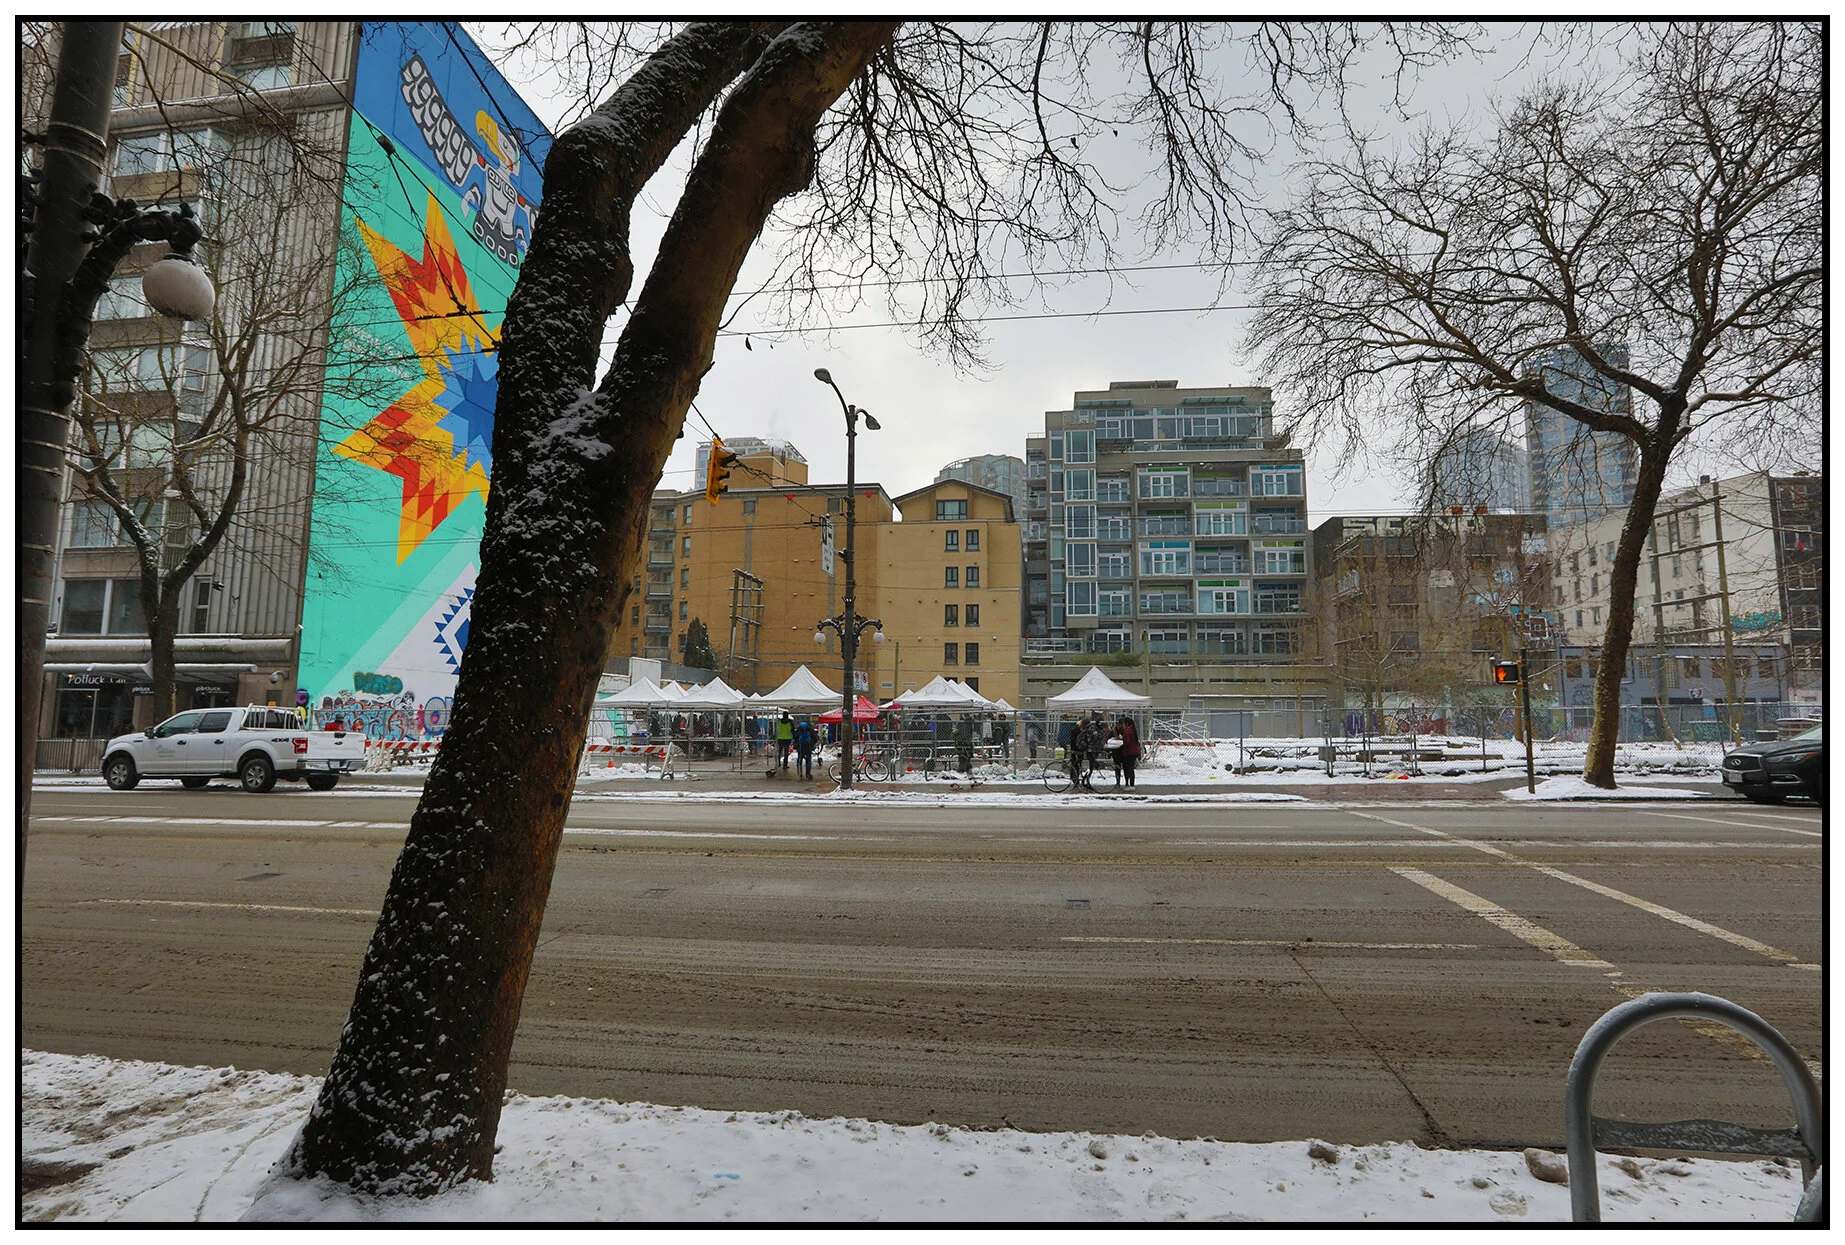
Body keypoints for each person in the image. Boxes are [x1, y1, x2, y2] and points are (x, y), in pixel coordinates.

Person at [1114, 714, 1141, 790]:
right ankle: (1131, 784)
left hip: (1129, 752)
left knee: (1129, 769)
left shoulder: (1127, 731)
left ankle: (1131, 786)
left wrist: (1121, 743)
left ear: (1126, 723)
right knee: (1130, 768)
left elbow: (1127, 742)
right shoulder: (1132, 729)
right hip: (1133, 751)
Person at [792, 716, 816, 780]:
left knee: (799, 760)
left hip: (800, 747)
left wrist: (796, 744)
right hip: (808, 747)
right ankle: (808, 774)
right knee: (808, 760)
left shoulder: (798, 730)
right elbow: (815, 738)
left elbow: (794, 737)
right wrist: (812, 745)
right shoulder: (810, 730)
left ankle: (800, 773)